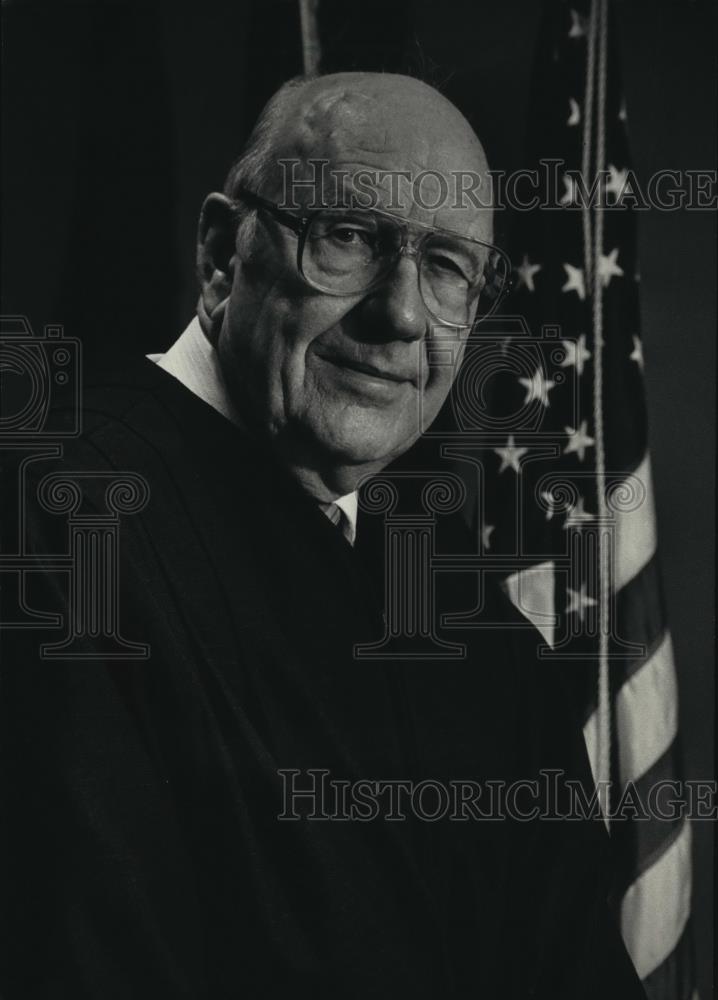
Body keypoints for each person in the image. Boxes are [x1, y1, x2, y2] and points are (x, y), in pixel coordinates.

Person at [1, 73, 645, 998]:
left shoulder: (471, 625)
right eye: (348, 237)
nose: (403, 315)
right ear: (225, 253)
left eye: (448, 268)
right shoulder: (59, 528)